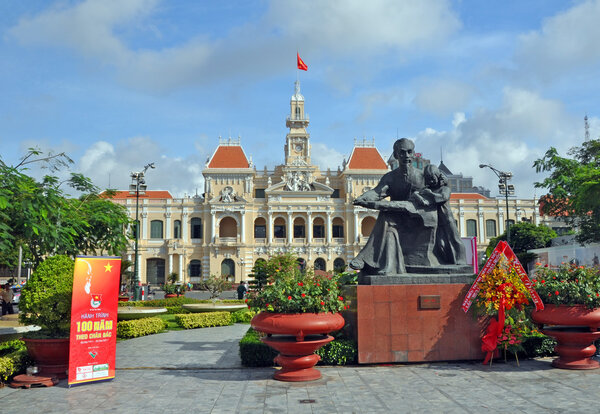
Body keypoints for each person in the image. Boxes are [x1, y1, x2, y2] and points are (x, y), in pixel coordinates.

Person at [349, 138, 452, 275]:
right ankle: (385, 266)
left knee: (387, 216)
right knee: (388, 223)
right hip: (398, 219)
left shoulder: (423, 176)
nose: (406, 156)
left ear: (414, 154)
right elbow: (377, 192)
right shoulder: (390, 177)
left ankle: (364, 258)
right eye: (402, 153)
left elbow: (438, 193)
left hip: (420, 220)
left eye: (409, 152)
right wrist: (363, 198)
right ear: (396, 155)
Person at [411, 164, 466, 265]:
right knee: (440, 243)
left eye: (433, 178)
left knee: (454, 239)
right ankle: (447, 260)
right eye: (428, 179)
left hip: (447, 219)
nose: (431, 181)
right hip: (436, 221)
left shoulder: (444, 189)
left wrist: (430, 194)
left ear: (438, 176)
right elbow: (417, 195)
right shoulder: (429, 190)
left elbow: (442, 197)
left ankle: (461, 260)